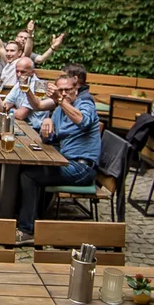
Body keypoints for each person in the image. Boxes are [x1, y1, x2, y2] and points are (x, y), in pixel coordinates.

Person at [15, 75, 101, 244]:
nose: (64, 93)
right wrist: (46, 130)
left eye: (67, 90)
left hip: (82, 168)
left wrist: (60, 100)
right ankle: (27, 216)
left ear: (76, 89)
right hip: (65, 160)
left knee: (29, 176)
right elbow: (50, 138)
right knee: (24, 167)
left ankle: (27, 230)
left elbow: (82, 121)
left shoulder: (85, 104)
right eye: (60, 90)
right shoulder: (59, 110)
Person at [1, 57, 50, 132]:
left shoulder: (39, 86)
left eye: (23, 72)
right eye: (17, 71)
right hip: (21, 125)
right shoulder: (20, 83)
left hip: (35, 129)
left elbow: (21, 115)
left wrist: (10, 110)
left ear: (32, 72)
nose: (19, 75)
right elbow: (4, 106)